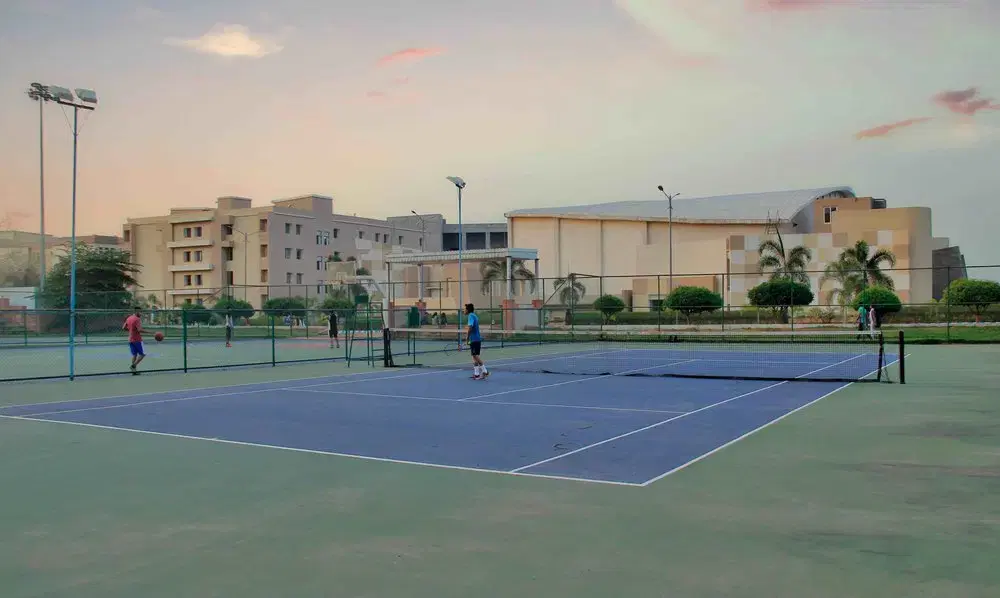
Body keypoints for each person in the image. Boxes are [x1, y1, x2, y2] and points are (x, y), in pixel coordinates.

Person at [122, 306, 152, 375]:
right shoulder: (137, 319)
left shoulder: (129, 318)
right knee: (142, 354)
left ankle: (134, 371)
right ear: (136, 311)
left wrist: (131, 331)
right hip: (137, 340)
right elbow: (139, 330)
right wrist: (150, 332)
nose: (141, 313)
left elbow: (123, 327)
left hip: (130, 339)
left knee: (134, 355)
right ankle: (133, 366)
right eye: (140, 312)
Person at [465, 303, 488, 380]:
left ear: (468, 310)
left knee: (475, 356)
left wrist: (467, 337)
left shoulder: (471, 316)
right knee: (474, 356)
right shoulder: (474, 315)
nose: (464, 311)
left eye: (465, 309)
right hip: (475, 339)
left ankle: (485, 371)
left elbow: (470, 327)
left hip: (475, 339)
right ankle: (477, 374)